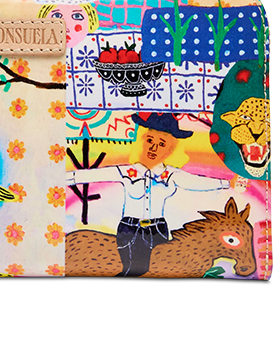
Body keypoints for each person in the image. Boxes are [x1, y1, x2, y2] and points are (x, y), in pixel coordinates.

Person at [66, 112, 246, 277]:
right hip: (130, 230)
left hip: (157, 230)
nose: (154, 148)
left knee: (159, 271)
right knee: (133, 270)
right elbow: (93, 175)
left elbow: (196, 182)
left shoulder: (171, 175)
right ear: (141, 141)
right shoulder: (127, 172)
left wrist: (227, 183)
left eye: (162, 144)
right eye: (150, 140)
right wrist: (61, 177)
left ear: (170, 149)